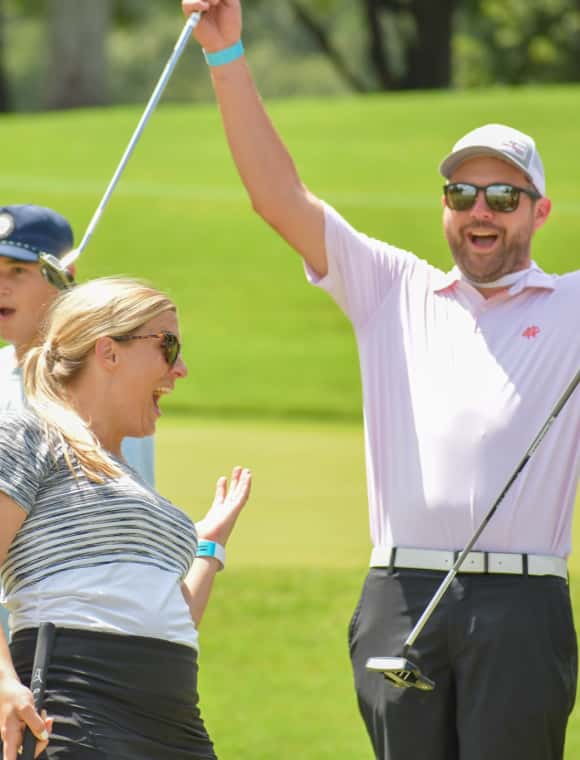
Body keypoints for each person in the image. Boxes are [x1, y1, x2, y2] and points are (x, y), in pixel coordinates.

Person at [181, 2, 580, 758]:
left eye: (503, 196)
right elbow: (279, 200)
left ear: (540, 211)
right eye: (461, 195)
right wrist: (225, 55)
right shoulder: (393, 288)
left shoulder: (573, 306)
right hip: (399, 595)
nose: (479, 211)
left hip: (524, 602)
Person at [0, 276, 251, 759]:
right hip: (75, 706)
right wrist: (4, 682)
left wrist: (209, 547)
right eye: (168, 346)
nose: (181, 369)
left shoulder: (135, 484)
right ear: (108, 353)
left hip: (174, 719)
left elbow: (170, 618)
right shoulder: (30, 436)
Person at [0, 204, 156, 641]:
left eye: (17, 271)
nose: (0, 286)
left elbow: (127, 513)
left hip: (64, 628)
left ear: (63, 277)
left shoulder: (104, 383)